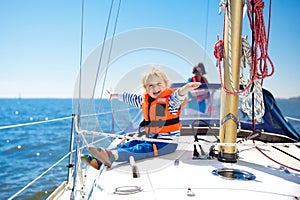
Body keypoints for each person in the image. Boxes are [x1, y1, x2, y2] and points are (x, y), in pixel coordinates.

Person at [81, 66, 201, 169]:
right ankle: (100, 160)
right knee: (130, 143)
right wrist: (116, 95)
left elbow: (178, 96)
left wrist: (186, 88)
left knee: (141, 149)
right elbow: (130, 98)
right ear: (145, 88)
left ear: (166, 85)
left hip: (166, 144)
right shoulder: (145, 100)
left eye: (159, 84)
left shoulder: (170, 102)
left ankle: (114, 156)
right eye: (151, 85)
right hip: (151, 138)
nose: (155, 88)